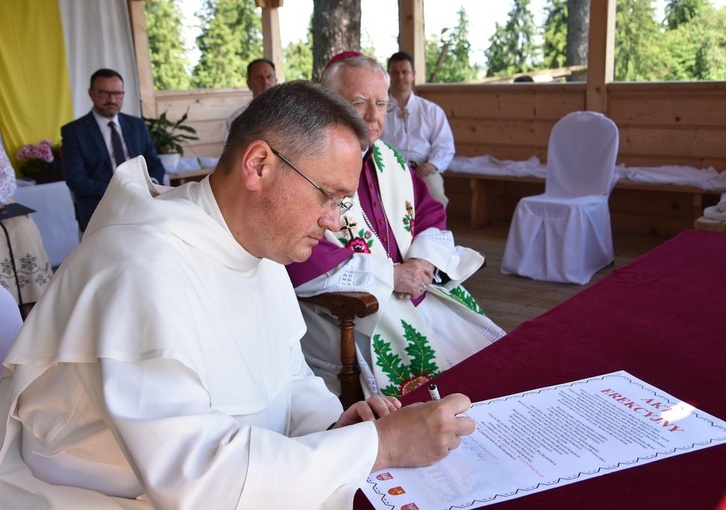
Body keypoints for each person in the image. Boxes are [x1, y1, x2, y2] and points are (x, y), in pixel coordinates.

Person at [0, 80, 475, 509]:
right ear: (259, 165)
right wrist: (382, 446)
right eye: (327, 195)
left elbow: (292, 378)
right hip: (105, 494)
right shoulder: (138, 267)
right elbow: (196, 481)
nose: (335, 221)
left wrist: (334, 429)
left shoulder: (257, 244)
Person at [287, 54, 505, 399]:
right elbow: (298, 253)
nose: (373, 117)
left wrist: (422, 262)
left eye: (381, 104)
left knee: (489, 360)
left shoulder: (391, 160)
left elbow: (430, 214)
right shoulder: (306, 164)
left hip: (415, 289)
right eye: (358, 103)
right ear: (327, 106)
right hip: (354, 306)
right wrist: (389, 276)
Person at [62, 68, 165, 232]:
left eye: (118, 94)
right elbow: (76, 179)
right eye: (104, 93)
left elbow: (154, 163)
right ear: (91, 93)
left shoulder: (136, 125)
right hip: (100, 208)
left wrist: (150, 186)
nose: (112, 99)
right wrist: (119, 190)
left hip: (142, 203)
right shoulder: (74, 131)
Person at [380, 51, 455, 207]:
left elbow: (445, 145)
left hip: (422, 166)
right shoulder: (378, 109)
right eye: (395, 72)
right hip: (386, 166)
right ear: (388, 75)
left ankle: (433, 231)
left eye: (405, 72)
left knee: (436, 196)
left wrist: (433, 164)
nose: (400, 76)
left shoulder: (431, 110)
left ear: (413, 74)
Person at [0, 143, 53, 318]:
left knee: (23, 226)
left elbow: (7, 174)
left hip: (2, 202)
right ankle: (9, 310)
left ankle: (31, 302)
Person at [224, 58, 278, 141]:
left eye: (269, 77)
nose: (265, 82)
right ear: (249, 84)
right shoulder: (237, 119)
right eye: (259, 78)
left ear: (276, 81)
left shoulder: (292, 113)